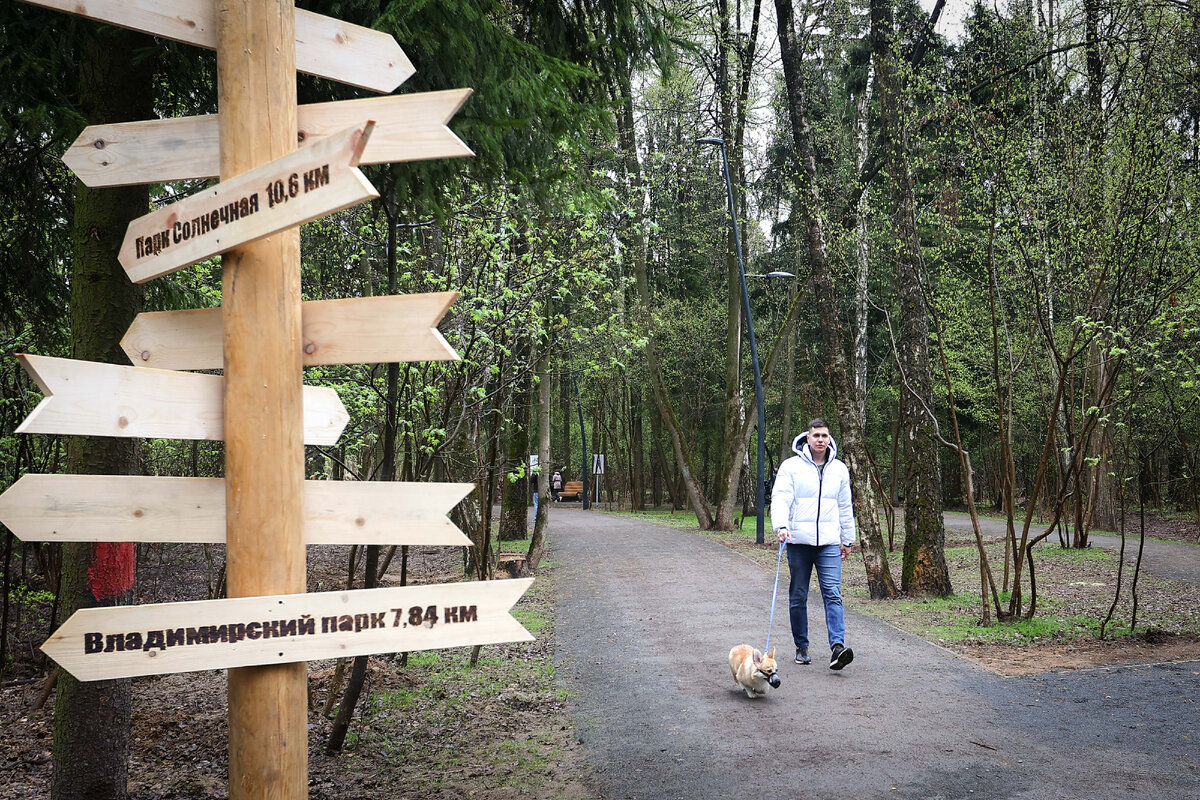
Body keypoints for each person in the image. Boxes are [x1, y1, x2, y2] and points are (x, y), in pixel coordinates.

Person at [771, 418, 856, 670]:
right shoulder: (791, 467)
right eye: (816, 435)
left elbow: (845, 505)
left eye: (824, 436)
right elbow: (780, 498)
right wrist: (781, 526)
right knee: (798, 595)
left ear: (830, 439)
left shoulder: (839, 469)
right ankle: (802, 646)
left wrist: (847, 538)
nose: (820, 439)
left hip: (828, 543)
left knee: (833, 593)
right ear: (807, 438)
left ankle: (838, 648)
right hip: (798, 541)